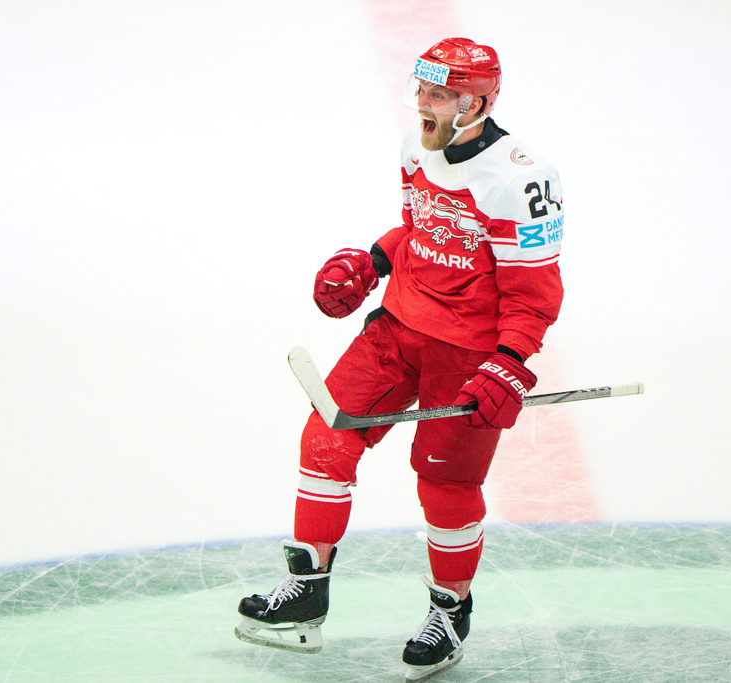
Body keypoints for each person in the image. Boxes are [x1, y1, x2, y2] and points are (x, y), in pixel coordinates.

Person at [234, 37, 564, 682]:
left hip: (468, 354)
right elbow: (420, 227)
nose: (422, 104)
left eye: (438, 94)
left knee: (444, 484)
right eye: (420, 90)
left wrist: (509, 364)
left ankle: (450, 610)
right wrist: (373, 262)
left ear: (477, 100)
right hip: (397, 328)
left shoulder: (520, 176)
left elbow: (534, 292)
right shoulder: (418, 146)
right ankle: (307, 588)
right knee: (327, 435)